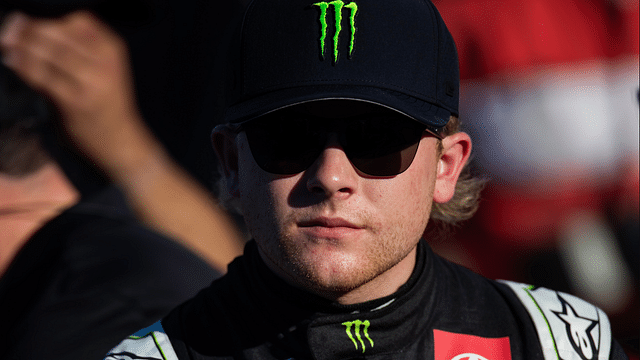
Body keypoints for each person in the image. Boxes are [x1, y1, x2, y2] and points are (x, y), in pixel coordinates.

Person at [5, 0, 627, 359]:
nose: (332, 176)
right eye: (289, 139)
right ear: (229, 161)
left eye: (378, 141)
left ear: (448, 167)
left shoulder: (563, 343)